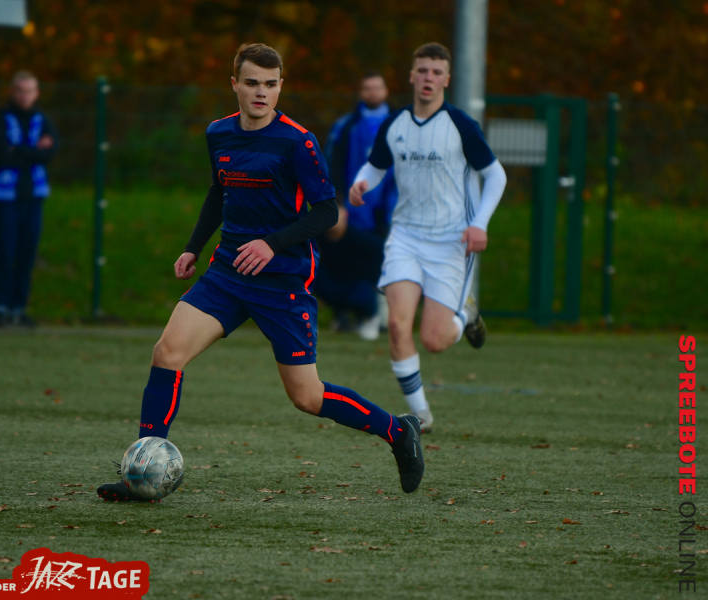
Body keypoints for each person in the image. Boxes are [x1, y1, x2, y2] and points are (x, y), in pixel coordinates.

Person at [98, 44, 424, 501]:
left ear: (280, 87)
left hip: (284, 279)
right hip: (228, 272)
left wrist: (273, 243)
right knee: (167, 352)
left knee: (307, 397)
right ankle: (142, 469)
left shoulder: (298, 141)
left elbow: (326, 212)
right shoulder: (219, 134)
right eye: (251, 83)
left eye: (270, 85)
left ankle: (397, 431)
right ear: (234, 84)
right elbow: (219, 192)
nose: (261, 93)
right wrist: (194, 248)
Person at [349, 43, 507, 433]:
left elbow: (497, 176)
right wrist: (361, 183)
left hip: (451, 241)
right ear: (411, 76)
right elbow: (376, 164)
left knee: (434, 339)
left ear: (447, 80)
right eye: (422, 70)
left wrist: (480, 223)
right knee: (399, 327)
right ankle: (421, 417)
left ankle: (464, 314)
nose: (428, 78)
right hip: (405, 237)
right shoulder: (396, 123)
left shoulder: (460, 125)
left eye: (436, 72)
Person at [316, 72, 398, 340]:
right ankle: (345, 315)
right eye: (367, 87)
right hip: (350, 213)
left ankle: (381, 316)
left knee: (384, 262)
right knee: (342, 263)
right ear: (361, 92)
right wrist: (338, 203)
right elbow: (331, 165)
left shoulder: (401, 126)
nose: (372, 92)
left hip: (386, 212)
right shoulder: (346, 126)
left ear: (385, 91)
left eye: (377, 87)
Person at [0, 70, 58, 327]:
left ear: (36, 93)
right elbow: (1, 155)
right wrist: (34, 151)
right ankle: (0, 308)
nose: (24, 96)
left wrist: (19, 150)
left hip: (34, 198)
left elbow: (50, 153)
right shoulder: (1, 119)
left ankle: (18, 309)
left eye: (29, 91)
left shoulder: (43, 120)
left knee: (27, 254)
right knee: (5, 252)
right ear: (12, 92)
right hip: (7, 198)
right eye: (20, 90)